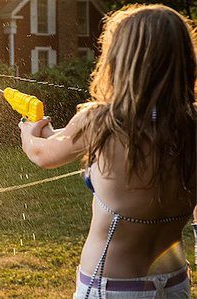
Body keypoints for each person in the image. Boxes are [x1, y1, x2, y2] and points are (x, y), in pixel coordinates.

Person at [18, 4, 196, 298]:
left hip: (113, 289)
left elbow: (41, 154)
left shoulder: (100, 121)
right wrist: (51, 132)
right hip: (175, 283)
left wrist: (28, 132)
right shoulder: (190, 126)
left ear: (121, 60)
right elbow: (66, 138)